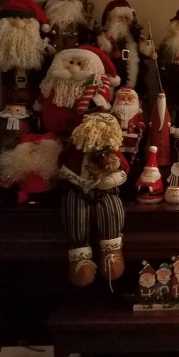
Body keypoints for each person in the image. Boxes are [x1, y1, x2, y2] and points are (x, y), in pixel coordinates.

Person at [57, 113, 129, 287]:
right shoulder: (76, 147)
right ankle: (80, 259)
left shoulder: (112, 151)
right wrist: (77, 181)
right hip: (78, 191)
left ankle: (111, 252)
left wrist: (111, 180)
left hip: (105, 192)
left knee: (111, 206)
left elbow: (124, 168)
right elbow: (62, 162)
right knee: (75, 210)